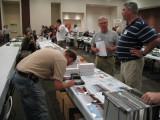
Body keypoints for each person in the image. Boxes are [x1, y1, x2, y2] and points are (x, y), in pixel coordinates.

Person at [12, 48, 77, 120]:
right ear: (70, 59)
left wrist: (54, 78)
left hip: (19, 75)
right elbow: (57, 86)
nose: (67, 65)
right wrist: (69, 83)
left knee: (30, 108)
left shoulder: (55, 53)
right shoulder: (62, 60)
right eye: (70, 64)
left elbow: (41, 72)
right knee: (40, 111)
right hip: (27, 81)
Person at [116, 2, 159, 90]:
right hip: (125, 62)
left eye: (123, 10)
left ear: (130, 11)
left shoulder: (139, 24)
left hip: (133, 63)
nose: (122, 12)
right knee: (124, 89)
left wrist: (143, 53)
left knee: (132, 90)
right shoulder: (130, 25)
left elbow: (155, 40)